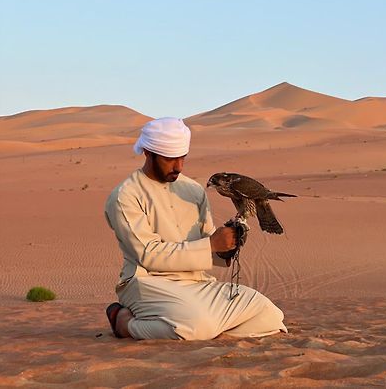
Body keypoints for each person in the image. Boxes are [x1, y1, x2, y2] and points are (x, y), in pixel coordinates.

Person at [104, 117, 287, 340]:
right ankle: (124, 322)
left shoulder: (193, 190)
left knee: (269, 315)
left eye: (182, 157)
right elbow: (148, 255)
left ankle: (200, 324)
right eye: (170, 159)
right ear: (148, 153)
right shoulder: (126, 196)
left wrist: (227, 246)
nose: (178, 166)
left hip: (196, 284)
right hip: (147, 284)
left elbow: (211, 247)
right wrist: (211, 244)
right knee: (196, 325)